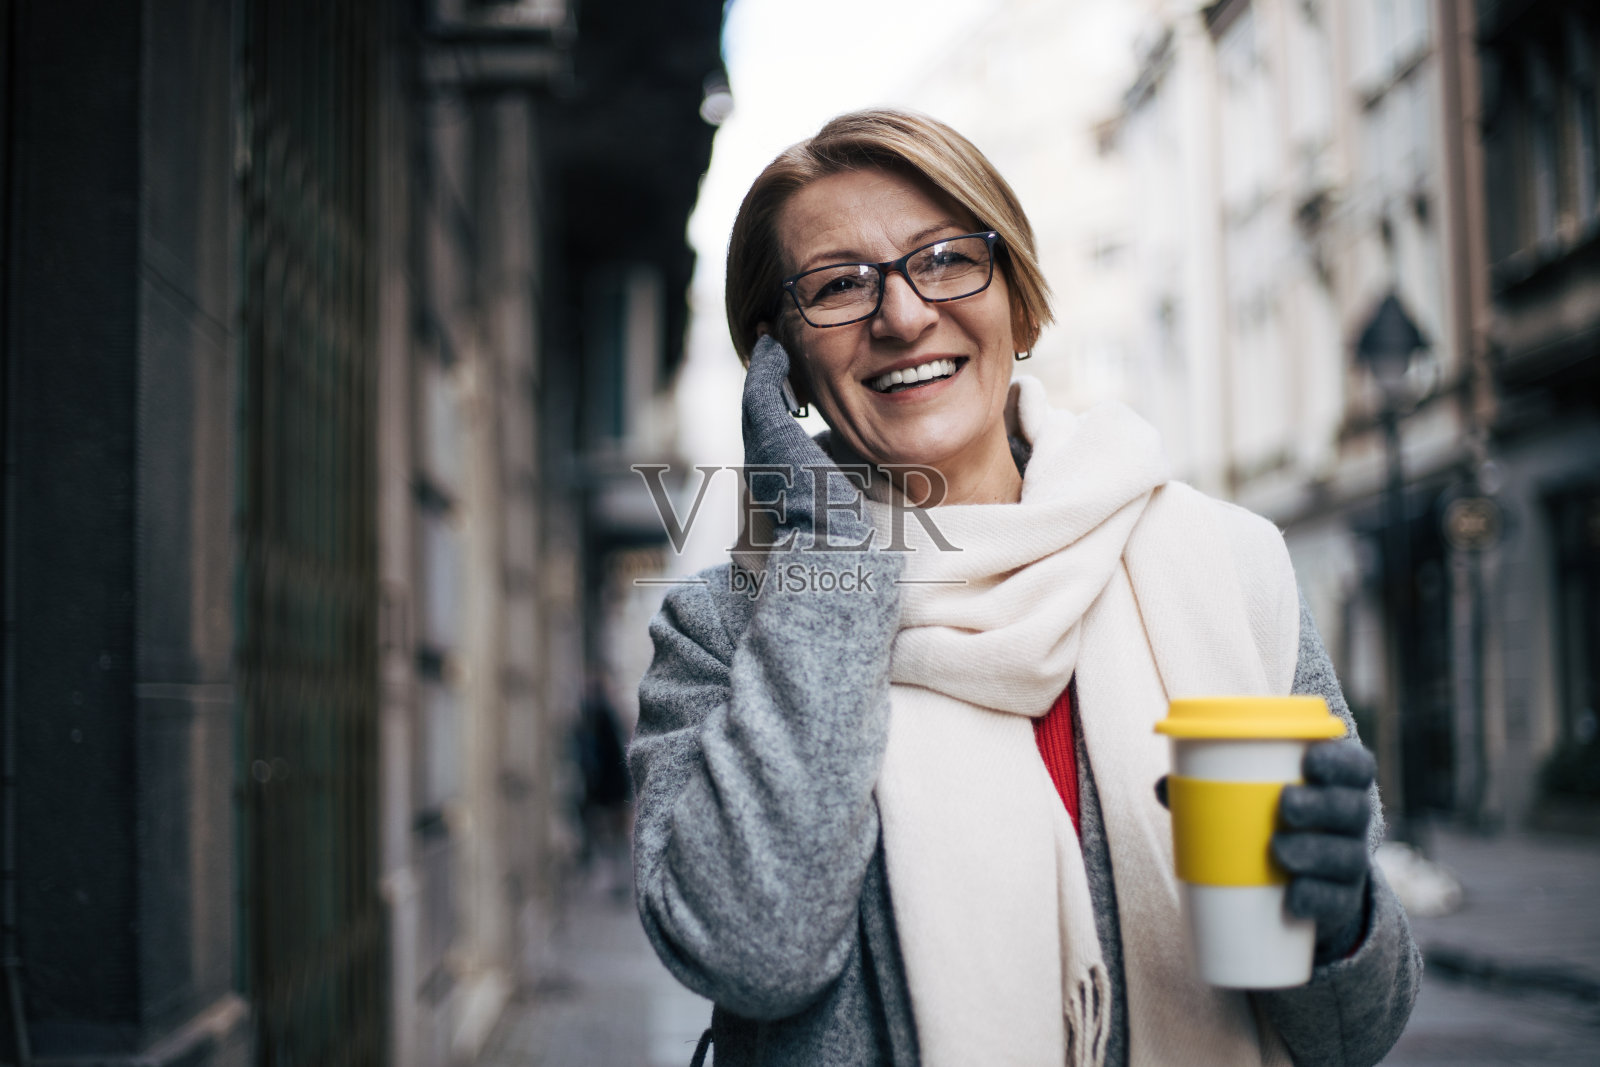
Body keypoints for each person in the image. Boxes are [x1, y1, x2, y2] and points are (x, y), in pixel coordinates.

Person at [630, 109, 1420, 1067]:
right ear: (780, 361)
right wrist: (826, 557)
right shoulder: (724, 630)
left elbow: (1353, 1034)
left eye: (947, 259)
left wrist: (1339, 927)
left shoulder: (1227, 567)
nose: (904, 314)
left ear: (1020, 300)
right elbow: (757, 956)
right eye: (839, 286)